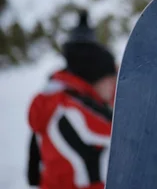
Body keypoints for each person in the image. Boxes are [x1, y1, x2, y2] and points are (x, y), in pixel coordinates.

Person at [27, 10, 118, 189]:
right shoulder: (74, 110)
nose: (113, 87)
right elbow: (121, 137)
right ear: (96, 78)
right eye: (111, 80)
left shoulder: (58, 95)